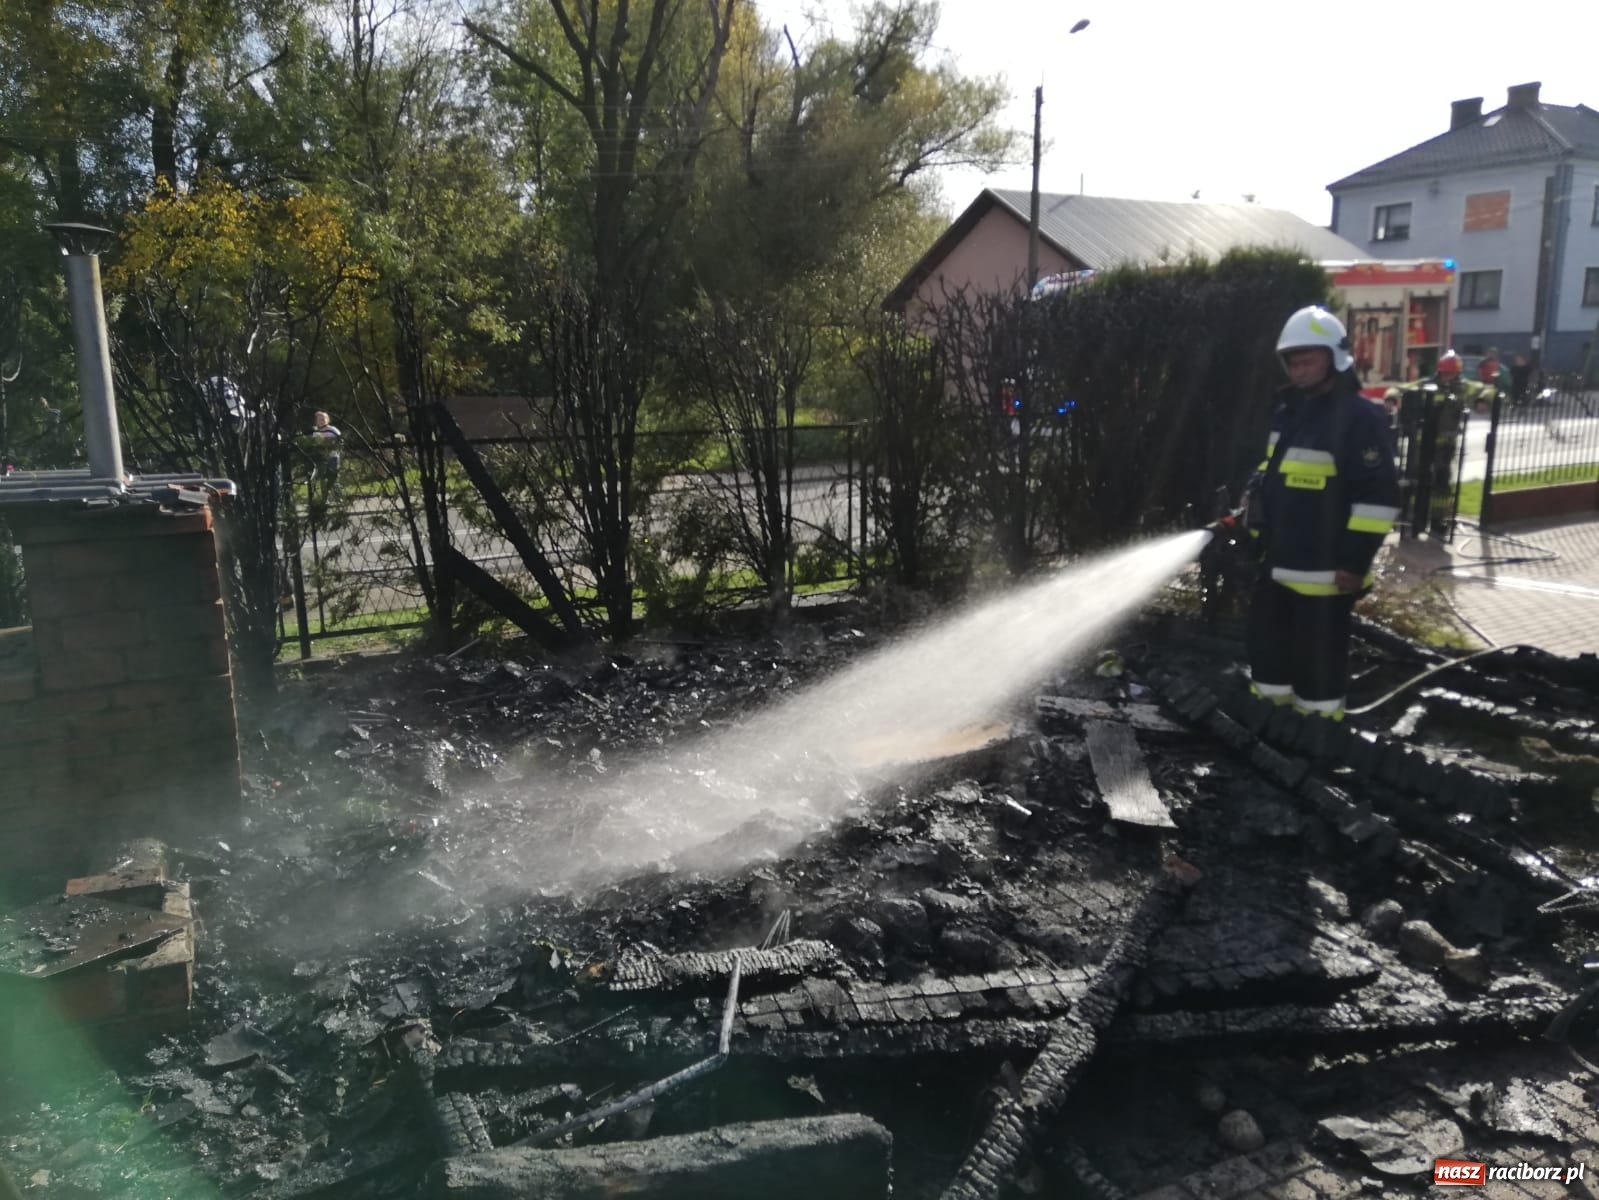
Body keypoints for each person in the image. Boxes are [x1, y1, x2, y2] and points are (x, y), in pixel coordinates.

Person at [1237, 305, 1402, 721]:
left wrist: (1353, 562)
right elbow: (1272, 469)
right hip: (1276, 566)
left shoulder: (1361, 420)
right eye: (1293, 362)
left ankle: (1318, 741)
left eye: (1308, 360)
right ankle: (1268, 731)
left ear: (1335, 358)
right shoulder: (1288, 413)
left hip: (1327, 577)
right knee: (1268, 662)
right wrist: (1251, 498)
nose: (1299, 370)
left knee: (1319, 672)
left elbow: (1378, 498)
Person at [309, 410, 342, 499]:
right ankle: (325, 496)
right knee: (323, 477)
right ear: (316, 422)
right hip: (322, 458)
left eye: (323, 419)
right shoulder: (316, 432)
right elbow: (314, 443)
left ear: (328, 420)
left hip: (333, 456)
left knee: (333, 475)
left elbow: (338, 437)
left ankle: (338, 496)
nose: (322, 421)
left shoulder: (332, 429)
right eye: (319, 419)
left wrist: (328, 440)